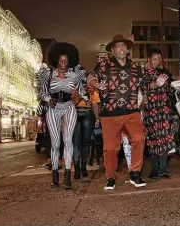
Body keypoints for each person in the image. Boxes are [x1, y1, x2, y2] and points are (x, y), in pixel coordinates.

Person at [88, 34, 146, 190]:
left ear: (127, 49)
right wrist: (97, 85)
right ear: (112, 50)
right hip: (110, 114)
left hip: (131, 112)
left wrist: (157, 84)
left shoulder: (135, 67)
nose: (121, 49)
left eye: (124, 46)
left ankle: (135, 173)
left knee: (139, 138)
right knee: (110, 148)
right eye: (118, 46)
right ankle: (111, 177)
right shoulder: (104, 65)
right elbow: (90, 79)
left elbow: (146, 86)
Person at [38, 42, 83, 189]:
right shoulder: (47, 74)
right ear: (56, 60)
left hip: (69, 106)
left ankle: (68, 177)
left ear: (70, 61)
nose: (63, 64)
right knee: (56, 143)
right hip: (54, 107)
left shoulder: (75, 75)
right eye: (61, 61)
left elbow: (82, 92)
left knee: (68, 139)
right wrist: (48, 99)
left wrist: (78, 97)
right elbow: (41, 92)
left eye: (66, 61)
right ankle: (55, 175)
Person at [140, 48, 176, 179]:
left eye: (159, 59)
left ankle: (164, 169)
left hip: (164, 111)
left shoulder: (162, 74)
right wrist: (156, 84)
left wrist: (176, 88)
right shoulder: (143, 74)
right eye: (154, 59)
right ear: (148, 59)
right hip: (151, 112)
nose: (157, 62)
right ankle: (155, 169)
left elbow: (170, 92)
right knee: (152, 141)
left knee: (165, 140)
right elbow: (145, 86)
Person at [72, 65, 100, 179]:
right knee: (76, 142)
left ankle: (83, 166)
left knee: (86, 142)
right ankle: (77, 168)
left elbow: (94, 102)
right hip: (76, 114)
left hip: (88, 114)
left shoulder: (91, 85)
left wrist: (97, 117)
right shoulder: (72, 85)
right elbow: (69, 102)